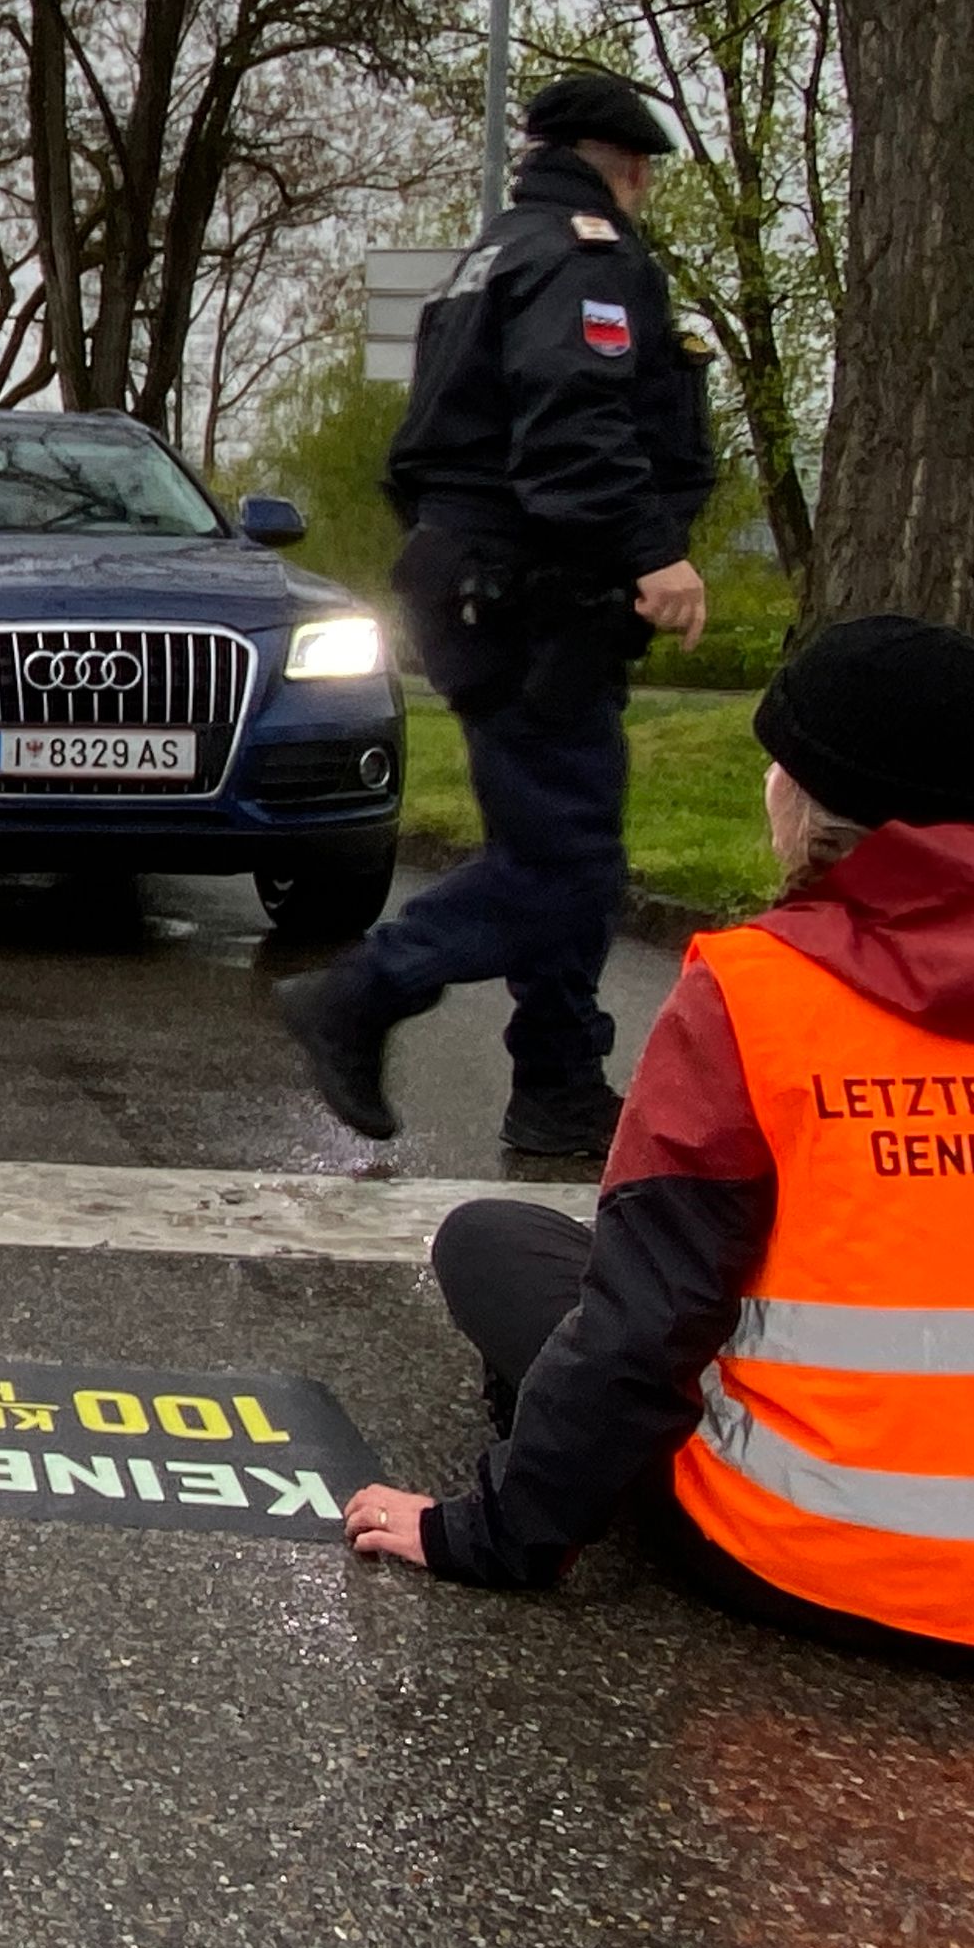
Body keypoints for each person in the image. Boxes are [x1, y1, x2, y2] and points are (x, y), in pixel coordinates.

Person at [341, 617, 974, 1668]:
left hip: (828, 1564)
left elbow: (640, 1334)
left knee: (492, 1243)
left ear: (807, 803)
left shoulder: (756, 993)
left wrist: (488, 1534)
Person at [276, 72, 715, 1156]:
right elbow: (573, 423)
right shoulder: (582, 258)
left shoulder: (491, 257)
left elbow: (426, 447)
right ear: (630, 168)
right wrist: (651, 551)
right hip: (533, 585)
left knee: (556, 842)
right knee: (566, 862)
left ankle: (559, 1083)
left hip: (490, 578)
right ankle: (362, 992)